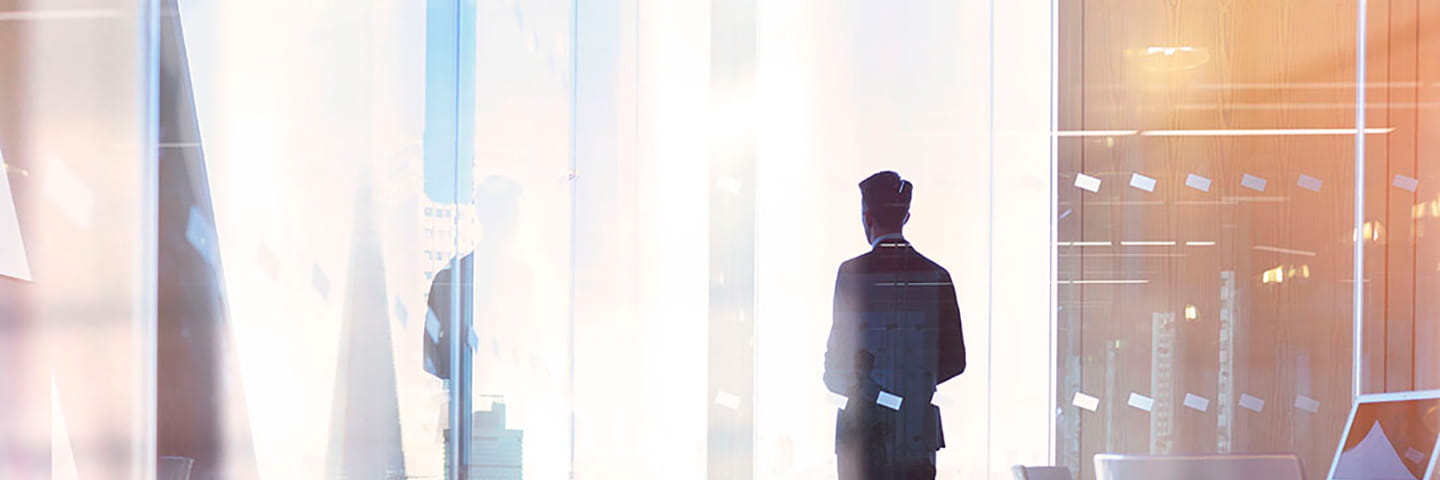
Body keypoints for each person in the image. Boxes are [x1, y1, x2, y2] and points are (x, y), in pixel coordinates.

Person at [824, 171, 967, 480]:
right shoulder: (936, 276)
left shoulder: (851, 275)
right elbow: (956, 361)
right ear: (907, 216)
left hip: (861, 437)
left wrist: (872, 390)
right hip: (916, 433)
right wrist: (911, 386)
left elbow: (835, 368)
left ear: (868, 217)